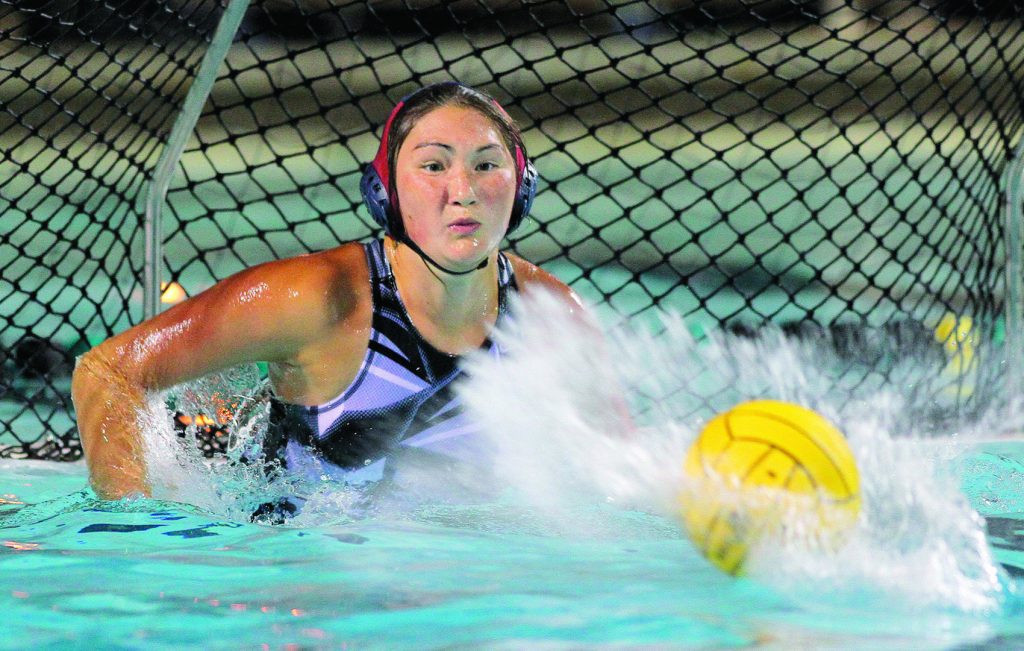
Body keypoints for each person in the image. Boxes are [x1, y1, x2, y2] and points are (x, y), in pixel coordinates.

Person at [72, 82, 583, 501]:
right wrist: (134, 529)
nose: (463, 191)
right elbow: (109, 372)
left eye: (487, 165)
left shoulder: (552, 315)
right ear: (385, 191)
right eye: (433, 166)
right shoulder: (317, 300)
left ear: (523, 187)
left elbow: (609, 468)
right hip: (293, 582)